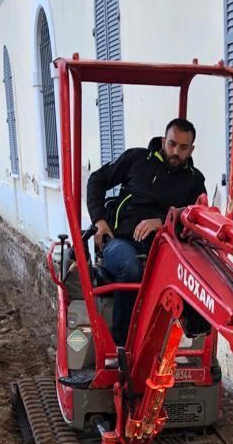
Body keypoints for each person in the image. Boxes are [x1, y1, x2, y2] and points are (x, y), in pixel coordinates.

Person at [86, 118, 206, 345]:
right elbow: (97, 180)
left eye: (183, 147)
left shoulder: (194, 181)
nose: (175, 151)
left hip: (166, 248)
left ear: (191, 149)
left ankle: (186, 348)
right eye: (172, 144)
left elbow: (196, 220)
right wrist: (100, 221)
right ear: (163, 140)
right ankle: (122, 347)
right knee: (131, 269)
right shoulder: (136, 159)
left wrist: (162, 222)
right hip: (121, 242)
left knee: (196, 274)